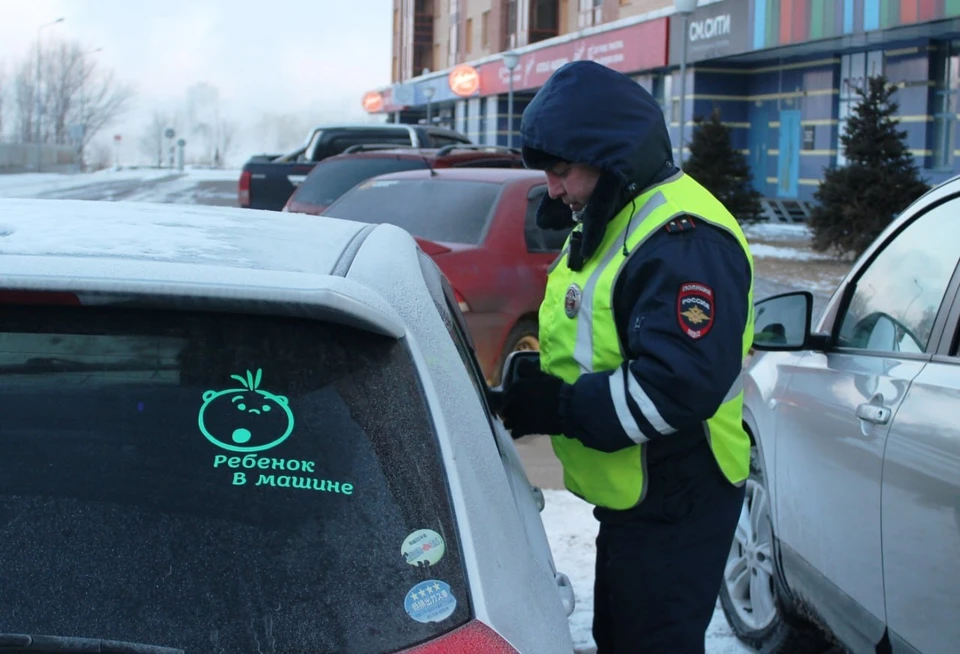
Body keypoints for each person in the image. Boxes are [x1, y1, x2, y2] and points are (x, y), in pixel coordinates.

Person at [498, 60, 755, 654]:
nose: (553, 189)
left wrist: (560, 407)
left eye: (561, 171)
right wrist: (544, 381)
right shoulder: (620, 210)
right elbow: (604, 330)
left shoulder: (684, 239)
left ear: (611, 157)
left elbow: (677, 387)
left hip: (679, 493)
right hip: (640, 497)